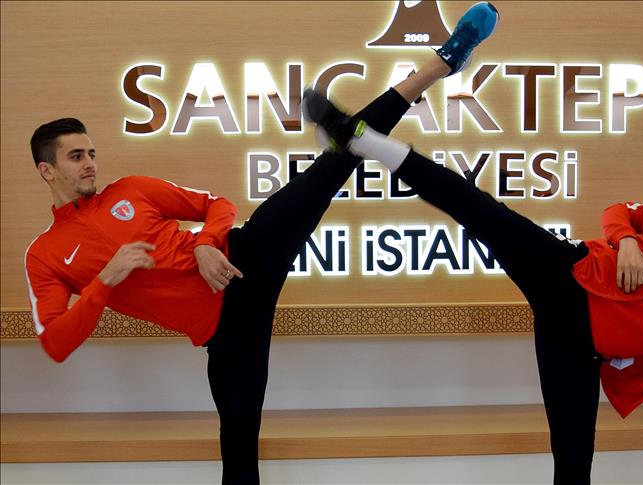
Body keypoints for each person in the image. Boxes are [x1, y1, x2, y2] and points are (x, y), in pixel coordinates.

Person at [23, 3, 500, 483]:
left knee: (336, 161)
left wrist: (207, 244)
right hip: (227, 332)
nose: (90, 163)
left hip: (244, 256)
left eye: (91, 152)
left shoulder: (130, 189)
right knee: (238, 448)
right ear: (47, 170)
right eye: (76, 156)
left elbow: (217, 205)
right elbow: (56, 343)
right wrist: (105, 281)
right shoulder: (44, 254)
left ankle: (441, 63)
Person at [301, 91, 643, 484]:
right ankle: (362, 138)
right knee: (478, 210)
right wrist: (629, 243)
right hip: (571, 277)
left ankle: (360, 139)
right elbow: (619, 213)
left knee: (573, 461)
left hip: (580, 348)